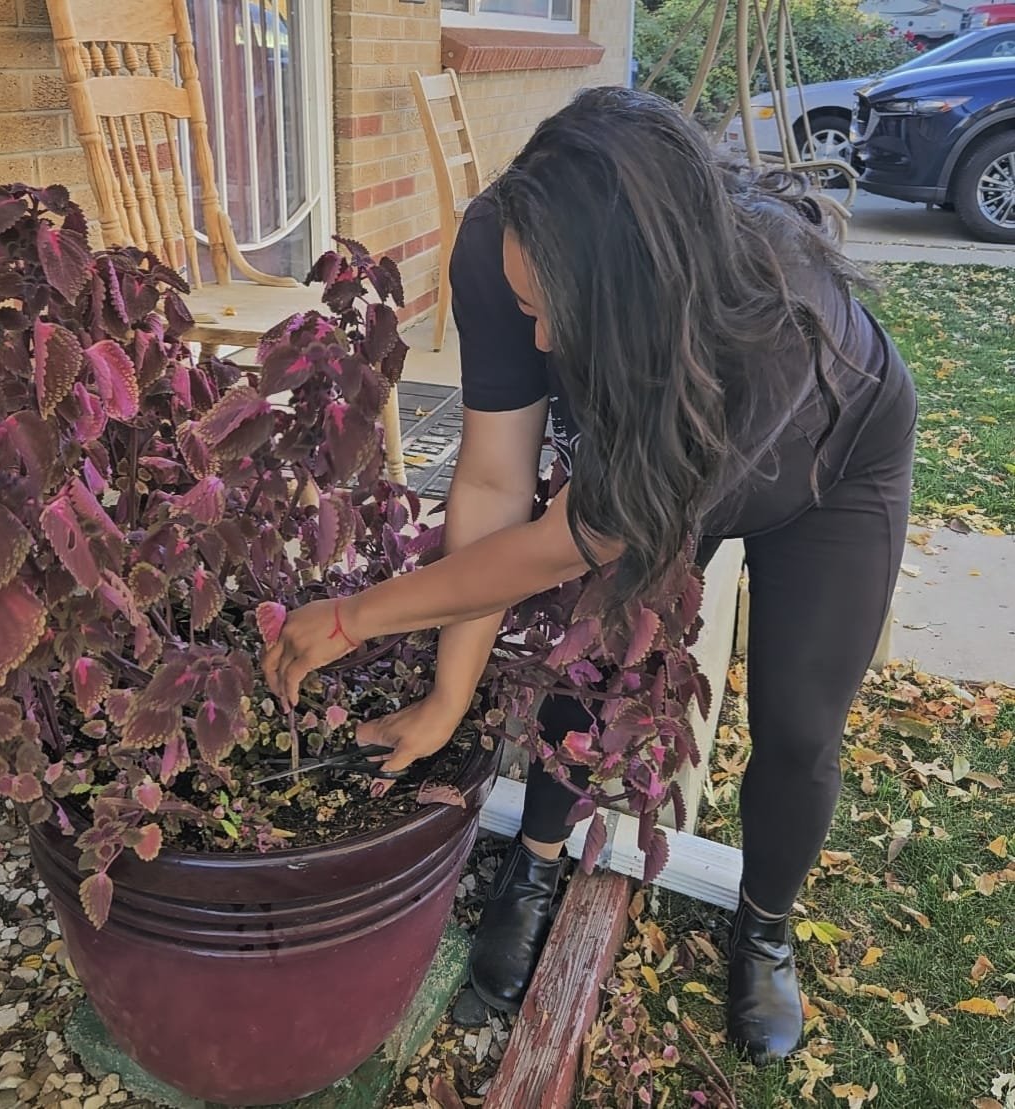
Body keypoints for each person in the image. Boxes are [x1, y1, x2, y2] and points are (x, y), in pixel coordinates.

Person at [262, 87, 916, 1065]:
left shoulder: (768, 330)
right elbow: (493, 482)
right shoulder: (506, 239)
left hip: (829, 468)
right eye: (523, 303)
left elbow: (558, 544)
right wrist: (448, 691)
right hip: (655, 456)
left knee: (797, 727)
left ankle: (767, 920)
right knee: (588, 649)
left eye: (550, 315)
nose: (535, 343)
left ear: (637, 301)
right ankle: (535, 863)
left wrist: (353, 617)